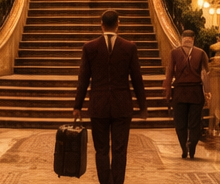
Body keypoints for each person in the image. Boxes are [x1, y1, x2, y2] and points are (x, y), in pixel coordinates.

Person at [73, 9, 148, 184]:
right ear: (118, 24)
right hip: (122, 106)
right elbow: (137, 78)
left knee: (101, 150)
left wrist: (77, 106)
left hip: (98, 106)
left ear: (101, 24)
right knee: (120, 149)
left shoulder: (89, 47)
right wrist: (142, 106)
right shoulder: (129, 47)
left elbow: (83, 79)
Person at [162, 30, 210, 159]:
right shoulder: (200, 53)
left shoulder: (174, 52)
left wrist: (167, 92)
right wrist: (208, 92)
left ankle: (184, 147)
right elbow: (206, 73)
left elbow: (170, 72)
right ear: (193, 38)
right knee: (195, 123)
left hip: (179, 92)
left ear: (182, 38)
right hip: (196, 92)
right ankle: (192, 145)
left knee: (180, 123)